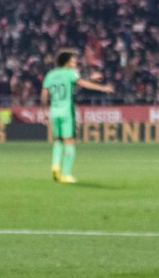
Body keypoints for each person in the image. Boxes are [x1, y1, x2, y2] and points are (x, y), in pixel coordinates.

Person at [40, 50, 114, 184]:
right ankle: (66, 174)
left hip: (54, 112)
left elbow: (44, 96)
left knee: (57, 140)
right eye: (73, 60)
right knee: (69, 142)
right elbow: (82, 83)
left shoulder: (50, 75)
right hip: (67, 112)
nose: (75, 62)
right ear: (67, 61)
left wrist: (45, 113)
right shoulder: (70, 73)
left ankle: (55, 165)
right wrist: (103, 88)